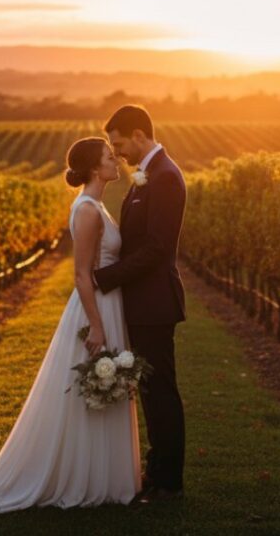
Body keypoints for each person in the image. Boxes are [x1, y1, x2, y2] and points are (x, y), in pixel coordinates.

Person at [0, 136, 141, 512]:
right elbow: (81, 275)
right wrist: (96, 326)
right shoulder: (89, 210)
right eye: (110, 157)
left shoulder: (95, 205)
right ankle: (87, 476)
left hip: (106, 303)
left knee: (101, 389)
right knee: (93, 389)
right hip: (96, 307)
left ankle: (102, 475)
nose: (117, 162)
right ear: (95, 168)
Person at [93, 104, 187, 503]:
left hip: (154, 302)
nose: (118, 153)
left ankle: (168, 482)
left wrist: (107, 277)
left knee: (160, 389)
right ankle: (156, 470)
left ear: (137, 134)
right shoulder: (149, 175)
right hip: (143, 302)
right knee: (150, 389)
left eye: (119, 143)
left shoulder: (165, 176)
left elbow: (156, 248)